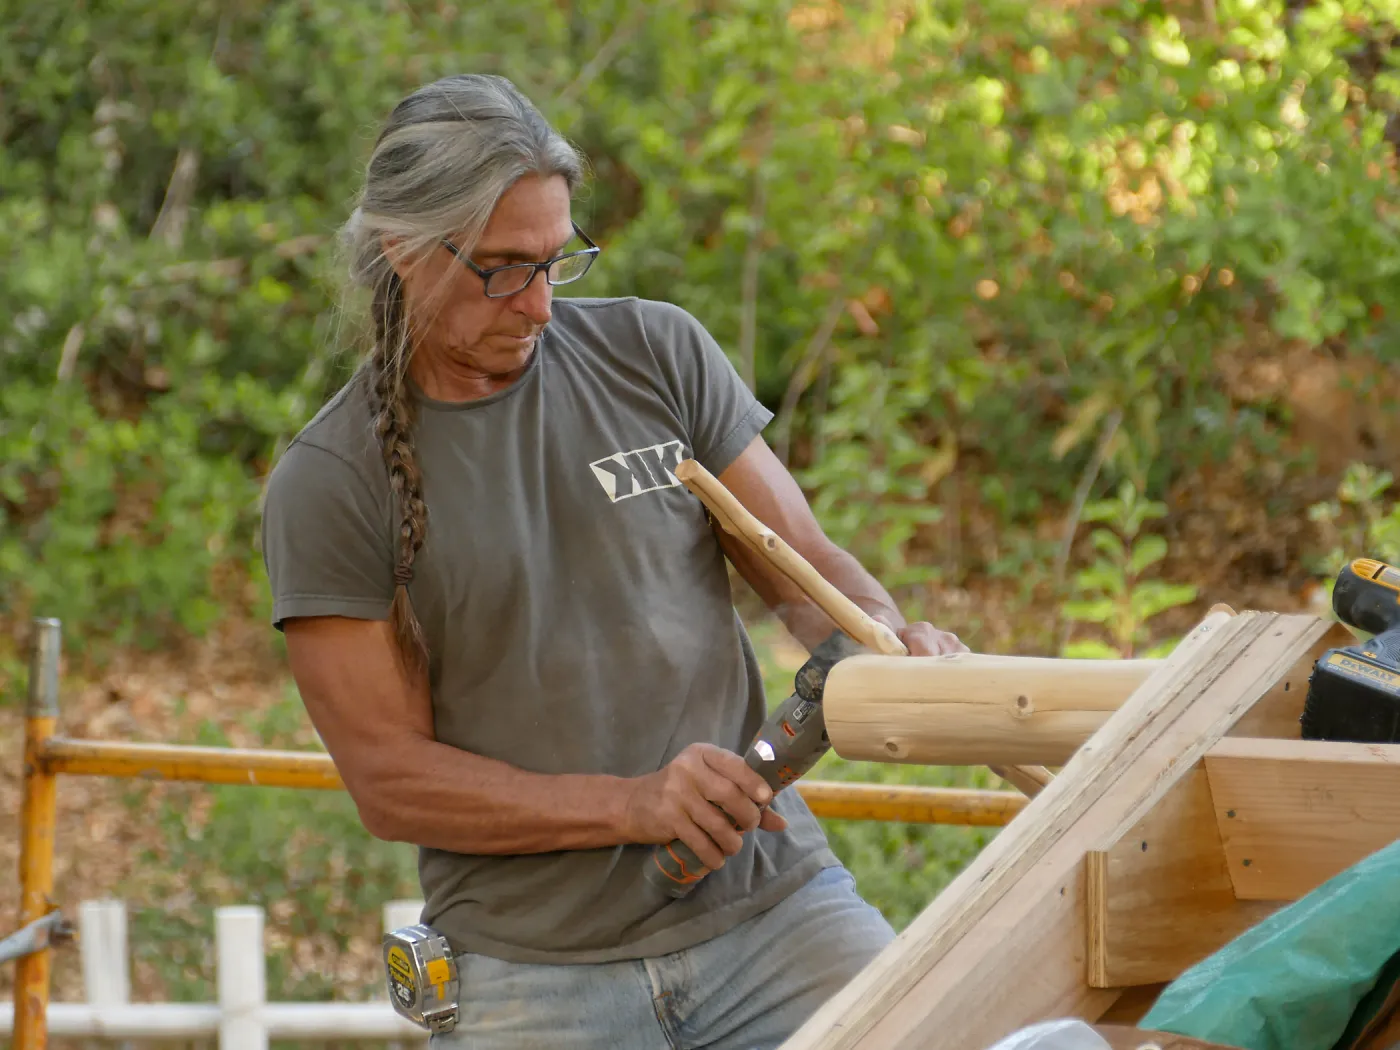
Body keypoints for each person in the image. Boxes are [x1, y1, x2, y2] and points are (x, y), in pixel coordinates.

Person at [260, 73, 967, 1050]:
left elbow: (804, 568)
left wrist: (887, 644)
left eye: (557, 262)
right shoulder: (330, 480)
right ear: (403, 249)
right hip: (529, 974)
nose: (540, 305)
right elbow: (388, 780)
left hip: (770, 915)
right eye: (505, 269)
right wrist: (635, 805)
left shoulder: (655, 352)